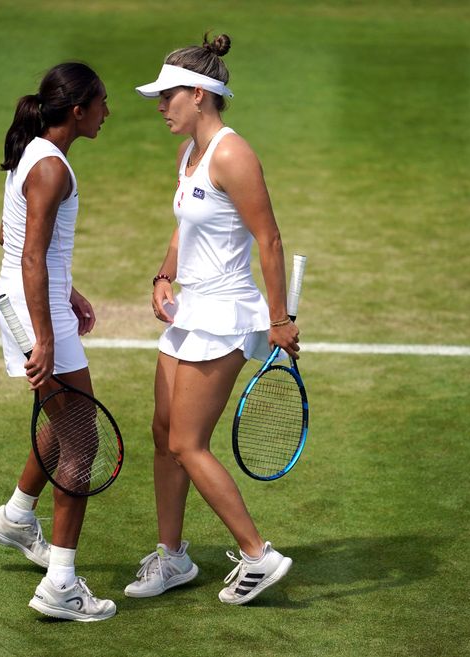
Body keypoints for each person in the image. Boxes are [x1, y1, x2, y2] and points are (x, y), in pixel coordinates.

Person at [127, 33, 300, 605]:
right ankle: (173, 558)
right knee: (162, 434)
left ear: (199, 95)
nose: (160, 105)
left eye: (168, 95)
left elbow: (269, 239)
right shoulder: (190, 154)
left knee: (187, 443)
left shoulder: (232, 153)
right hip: (189, 308)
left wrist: (280, 320)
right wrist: (162, 274)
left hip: (225, 315)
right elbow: (187, 223)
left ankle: (259, 555)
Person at [0, 62, 115, 622]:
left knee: (64, 424)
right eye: (102, 103)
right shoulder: (51, 168)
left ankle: (16, 516)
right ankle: (60, 584)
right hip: (37, 312)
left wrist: (70, 291)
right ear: (77, 110)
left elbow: (19, 242)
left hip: (36, 301)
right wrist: (46, 336)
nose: (109, 113)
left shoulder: (34, 154)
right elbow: (30, 255)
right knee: (83, 440)